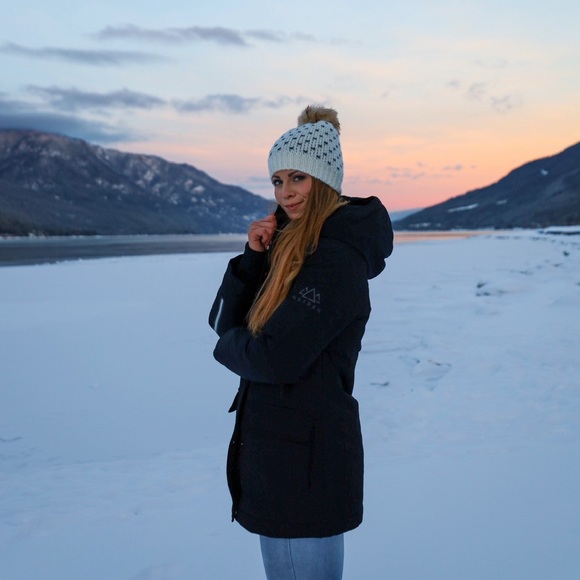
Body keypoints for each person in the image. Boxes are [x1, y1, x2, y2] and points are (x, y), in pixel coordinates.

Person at [209, 105, 393, 579]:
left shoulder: (334, 261)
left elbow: (274, 358)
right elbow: (222, 319)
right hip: (282, 454)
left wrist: (229, 347)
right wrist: (252, 259)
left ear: (324, 180)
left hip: (305, 462)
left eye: (298, 178)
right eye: (277, 181)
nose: (285, 192)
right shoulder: (290, 248)